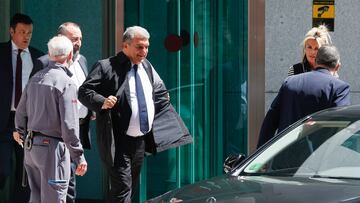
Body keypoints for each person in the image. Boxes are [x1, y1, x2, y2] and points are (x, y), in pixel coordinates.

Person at [78, 25, 192, 202]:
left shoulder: (146, 66)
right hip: (117, 140)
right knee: (122, 187)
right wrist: (102, 101)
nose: (144, 51)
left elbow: (158, 92)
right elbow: (84, 92)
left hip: (139, 140)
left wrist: (163, 99)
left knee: (129, 188)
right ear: (125, 46)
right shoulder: (106, 66)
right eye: (139, 47)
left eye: (146, 47)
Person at [14, 35, 88, 203]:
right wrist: (78, 156)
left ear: (49, 54)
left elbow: (20, 112)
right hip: (52, 148)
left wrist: (21, 133)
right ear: (69, 56)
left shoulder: (35, 78)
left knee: (36, 197)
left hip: (31, 148)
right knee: (54, 198)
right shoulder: (66, 83)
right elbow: (69, 126)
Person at [35, 22, 91, 203]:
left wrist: (90, 109)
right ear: (61, 40)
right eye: (74, 39)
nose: (79, 43)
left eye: (80, 39)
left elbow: (84, 91)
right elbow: (32, 97)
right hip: (54, 133)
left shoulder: (82, 60)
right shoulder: (44, 63)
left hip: (78, 129)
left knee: (69, 180)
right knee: (62, 183)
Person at [257, 45, 350, 148]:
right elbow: (340, 124)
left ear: (316, 62)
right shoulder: (339, 87)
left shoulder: (290, 82)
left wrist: (260, 157)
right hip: (317, 157)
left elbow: (270, 121)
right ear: (337, 66)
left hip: (284, 154)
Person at [0, 13, 43, 203]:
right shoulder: (1, 52)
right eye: (22, 32)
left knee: (25, 173)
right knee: (2, 169)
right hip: (3, 120)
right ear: (11, 31)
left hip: (27, 122)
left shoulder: (38, 57)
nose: (26, 36)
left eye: (30, 33)